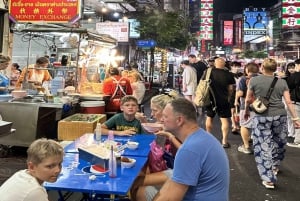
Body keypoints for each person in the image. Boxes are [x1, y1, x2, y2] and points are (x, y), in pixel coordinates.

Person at [153, 98, 229, 201]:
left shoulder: (189, 150)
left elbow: (171, 198)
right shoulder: (202, 137)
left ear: (179, 120)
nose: (162, 119)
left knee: (142, 191)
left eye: (165, 116)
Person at [244, 58, 300, 189]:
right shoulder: (282, 82)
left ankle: (268, 178)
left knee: (263, 146)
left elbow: (248, 99)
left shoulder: (254, 80)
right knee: (279, 142)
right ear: (275, 69)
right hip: (280, 116)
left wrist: (246, 111)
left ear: (262, 68)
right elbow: (288, 102)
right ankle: (275, 165)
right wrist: (295, 119)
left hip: (261, 116)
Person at [133, 90, 182, 201]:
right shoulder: (165, 126)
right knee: (137, 183)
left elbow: (184, 154)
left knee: (135, 183)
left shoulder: (175, 130)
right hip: (167, 169)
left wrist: (170, 136)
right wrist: (143, 120)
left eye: (155, 110)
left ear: (166, 111)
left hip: (176, 174)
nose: (152, 114)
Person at [205, 57, 236, 148]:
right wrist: (229, 97)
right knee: (225, 120)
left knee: (209, 117)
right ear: (224, 64)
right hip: (223, 100)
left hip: (210, 99)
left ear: (215, 64)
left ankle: (208, 138)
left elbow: (202, 84)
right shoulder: (229, 74)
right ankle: (224, 141)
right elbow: (231, 89)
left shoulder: (208, 72)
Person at [235, 62, 259, 154]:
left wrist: (236, 96)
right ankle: (259, 146)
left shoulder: (243, 79)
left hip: (246, 106)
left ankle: (246, 147)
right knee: (257, 127)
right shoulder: (262, 79)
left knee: (244, 125)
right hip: (260, 106)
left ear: (247, 70)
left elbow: (240, 93)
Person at [286, 58, 300, 148]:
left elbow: (289, 85)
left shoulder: (296, 75)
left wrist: (297, 73)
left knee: (297, 121)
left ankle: (298, 141)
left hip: (297, 101)